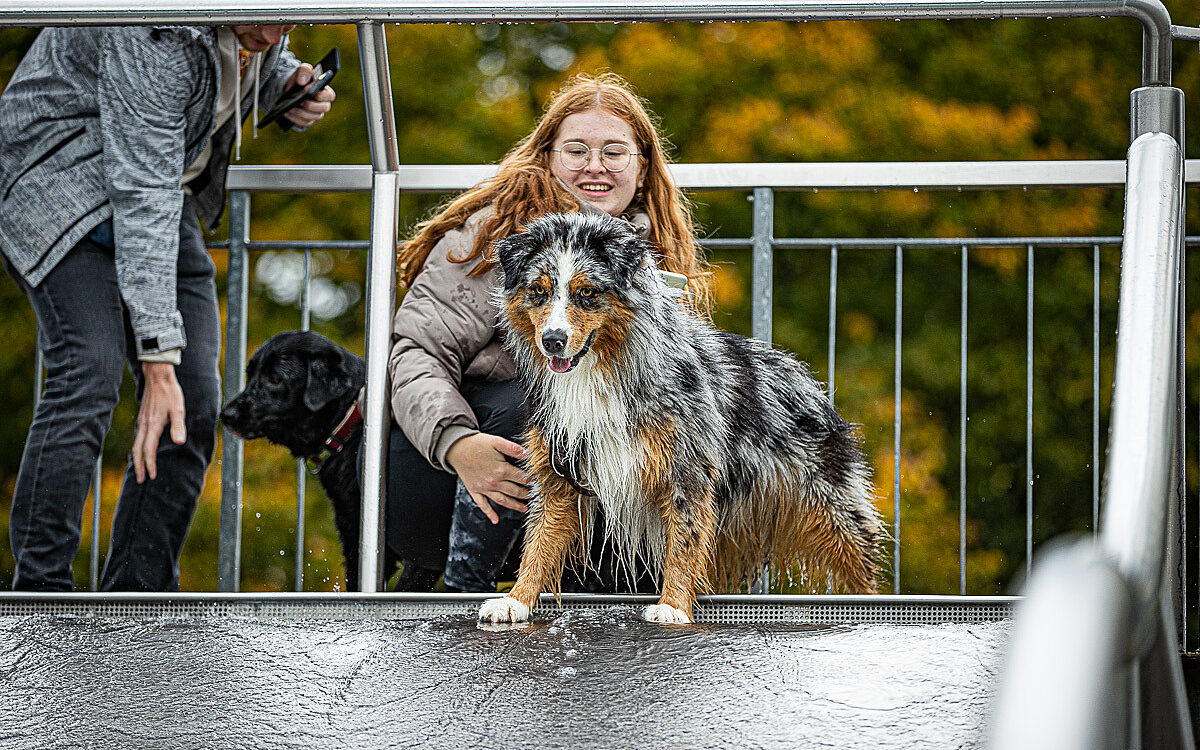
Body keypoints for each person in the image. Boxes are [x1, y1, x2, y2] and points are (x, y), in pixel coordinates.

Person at [0, 24, 336, 591]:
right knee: (90, 369)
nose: (273, 30)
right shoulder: (156, 28)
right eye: (261, 17)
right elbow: (142, 188)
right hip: (62, 186)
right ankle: (40, 592)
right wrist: (158, 360)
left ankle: (139, 594)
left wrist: (282, 83)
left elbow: (227, 64)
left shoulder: (258, 26)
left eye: (286, 19)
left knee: (194, 398)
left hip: (155, 193)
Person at [387, 72, 712, 593]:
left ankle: (619, 606)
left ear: (643, 168)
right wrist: (458, 443)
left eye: (614, 153)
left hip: (581, 473)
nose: (595, 166)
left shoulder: (649, 252)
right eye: (577, 151)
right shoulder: (501, 231)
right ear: (547, 158)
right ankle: (457, 592)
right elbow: (415, 354)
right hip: (448, 465)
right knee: (538, 400)